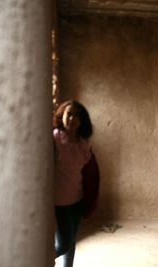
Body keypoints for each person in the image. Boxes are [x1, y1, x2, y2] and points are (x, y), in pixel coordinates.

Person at [53, 100, 99, 267]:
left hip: (77, 200)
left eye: (76, 116)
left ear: (82, 121)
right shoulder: (55, 139)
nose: (72, 119)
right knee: (63, 243)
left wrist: (89, 201)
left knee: (71, 241)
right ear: (62, 116)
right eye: (69, 114)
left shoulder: (84, 145)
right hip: (60, 201)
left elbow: (91, 175)